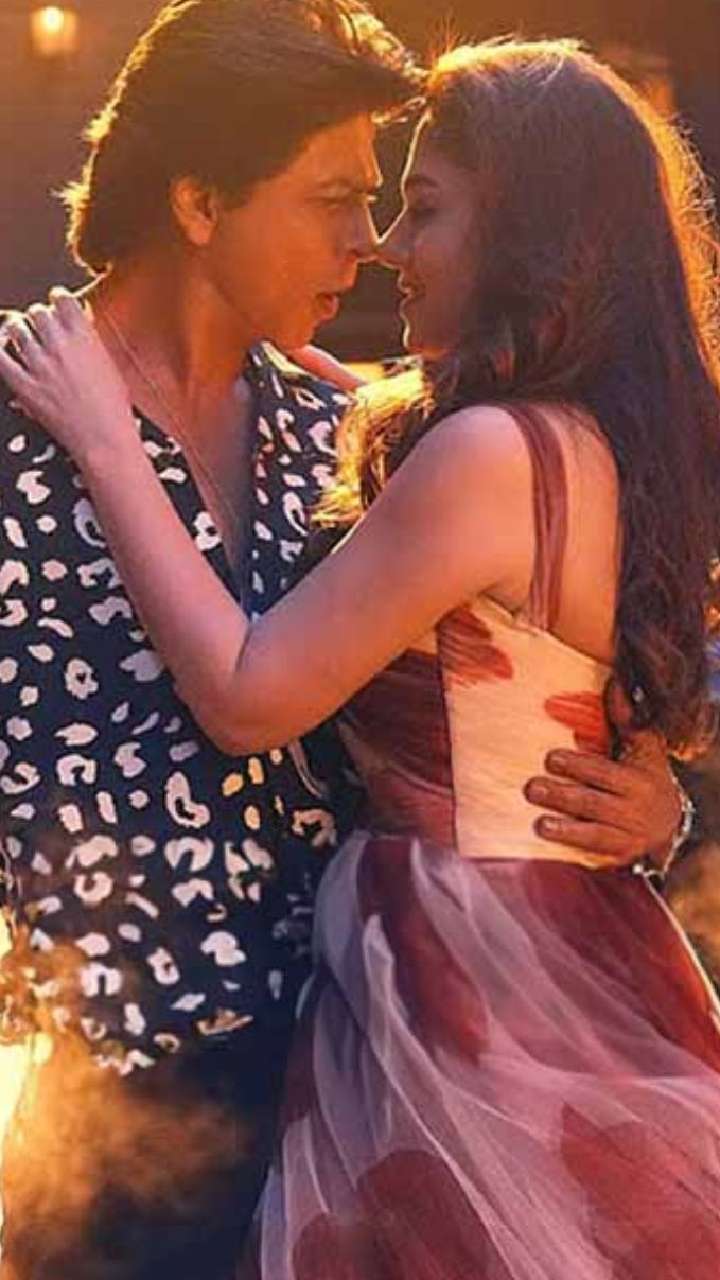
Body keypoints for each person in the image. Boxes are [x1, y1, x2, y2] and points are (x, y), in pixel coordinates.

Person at [6, 36, 720, 1277]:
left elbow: (273, 695)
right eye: (339, 200)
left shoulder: (374, 434)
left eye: (406, 205)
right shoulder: (45, 423)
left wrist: (649, 800)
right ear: (200, 201)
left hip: (408, 1041)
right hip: (130, 1093)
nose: (375, 243)